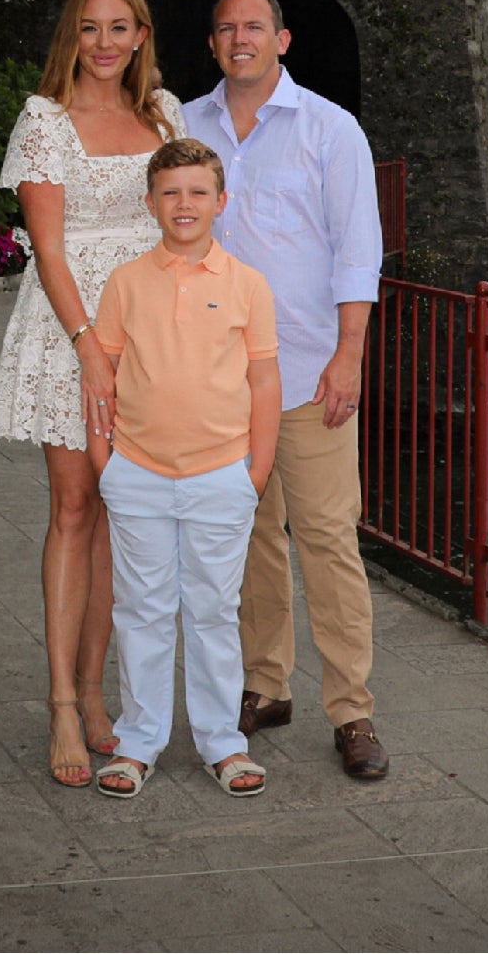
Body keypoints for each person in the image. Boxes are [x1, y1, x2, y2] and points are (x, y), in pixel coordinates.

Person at [177, 0, 393, 781]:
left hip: (305, 370)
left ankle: (353, 710)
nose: (240, 38)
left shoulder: (329, 131)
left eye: (254, 27)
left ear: (283, 40)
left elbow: (355, 247)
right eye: (225, 27)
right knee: (247, 538)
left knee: (330, 538)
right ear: (211, 45)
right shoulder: (183, 125)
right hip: (211, 377)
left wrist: (350, 353)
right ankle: (265, 686)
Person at [0, 0, 181, 788]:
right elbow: (50, 249)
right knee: (73, 507)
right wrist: (88, 346)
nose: (104, 43)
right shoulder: (44, 121)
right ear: (72, 35)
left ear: (139, 36)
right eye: (90, 28)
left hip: (148, 327)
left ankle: (99, 693)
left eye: (119, 27)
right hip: (71, 328)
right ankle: (63, 703)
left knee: (120, 509)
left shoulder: (161, 113)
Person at [86, 137, 281, 800]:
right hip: (136, 472)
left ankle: (222, 743)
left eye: (197, 191)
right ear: (150, 203)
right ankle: (137, 742)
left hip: (221, 474)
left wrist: (255, 472)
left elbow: (264, 380)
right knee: (139, 609)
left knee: (211, 611)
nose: (184, 204)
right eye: (169, 192)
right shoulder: (126, 283)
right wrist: (103, 463)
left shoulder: (247, 286)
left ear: (220, 202)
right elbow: (101, 379)